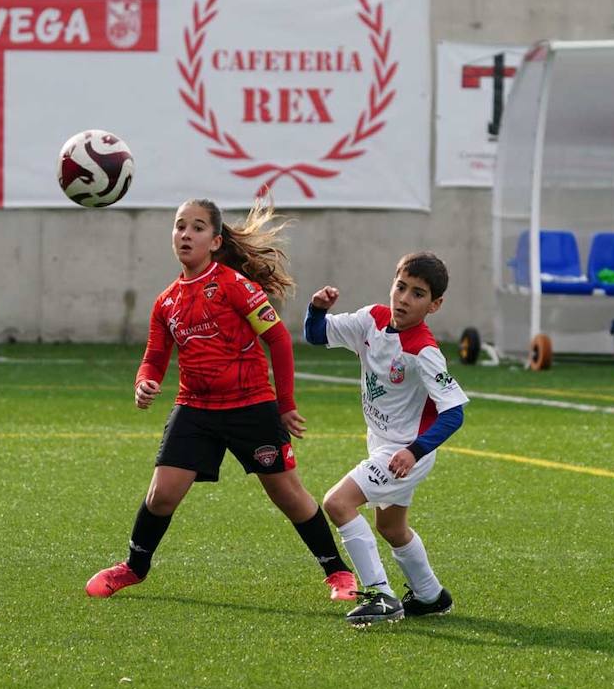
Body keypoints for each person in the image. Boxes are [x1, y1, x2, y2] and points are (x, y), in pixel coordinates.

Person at [85, 198, 357, 602]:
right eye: (179, 226)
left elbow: (278, 339)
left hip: (251, 405)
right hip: (195, 408)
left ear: (214, 241)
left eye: (196, 228)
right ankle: (133, 567)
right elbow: (155, 358)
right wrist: (144, 382)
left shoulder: (235, 285)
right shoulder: (166, 302)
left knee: (287, 494)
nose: (185, 234)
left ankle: (338, 573)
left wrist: (286, 403)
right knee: (162, 494)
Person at [306, 252, 470, 626]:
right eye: (401, 287)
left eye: (418, 294)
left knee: (337, 503)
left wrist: (414, 452)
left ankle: (380, 594)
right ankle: (430, 596)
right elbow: (316, 335)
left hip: (405, 450)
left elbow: (454, 413)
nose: (404, 299)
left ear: (435, 305)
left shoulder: (424, 351)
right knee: (391, 528)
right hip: (382, 443)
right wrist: (317, 309)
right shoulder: (372, 320)